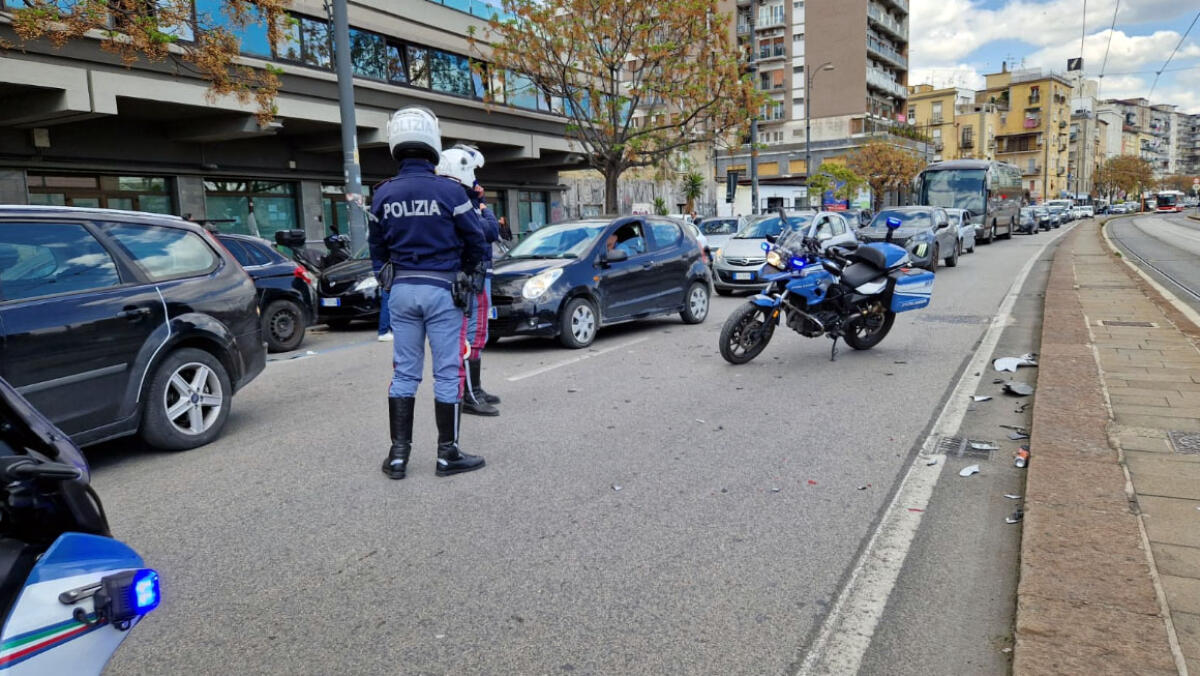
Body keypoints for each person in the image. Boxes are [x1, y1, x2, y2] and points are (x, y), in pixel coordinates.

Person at [369, 105, 489, 480]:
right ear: (432, 141)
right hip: (443, 290)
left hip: (402, 291)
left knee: (404, 373)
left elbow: (377, 249)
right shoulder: (450, 191)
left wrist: (387, 278)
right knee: (447, 372)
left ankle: (399, 456)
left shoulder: (383, 195)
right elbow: (478, 241)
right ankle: (446, 454)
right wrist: (468, 272)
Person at [437, 145, 500, 416]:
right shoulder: (460, 202)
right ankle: (469, 395)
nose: (475, 179)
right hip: (472, 275)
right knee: (471, 335)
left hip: (469, 275)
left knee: (474, 334)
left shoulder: (455, 198)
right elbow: (490, 230)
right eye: (472, 172)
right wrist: (484, 206)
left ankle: (475, 388)